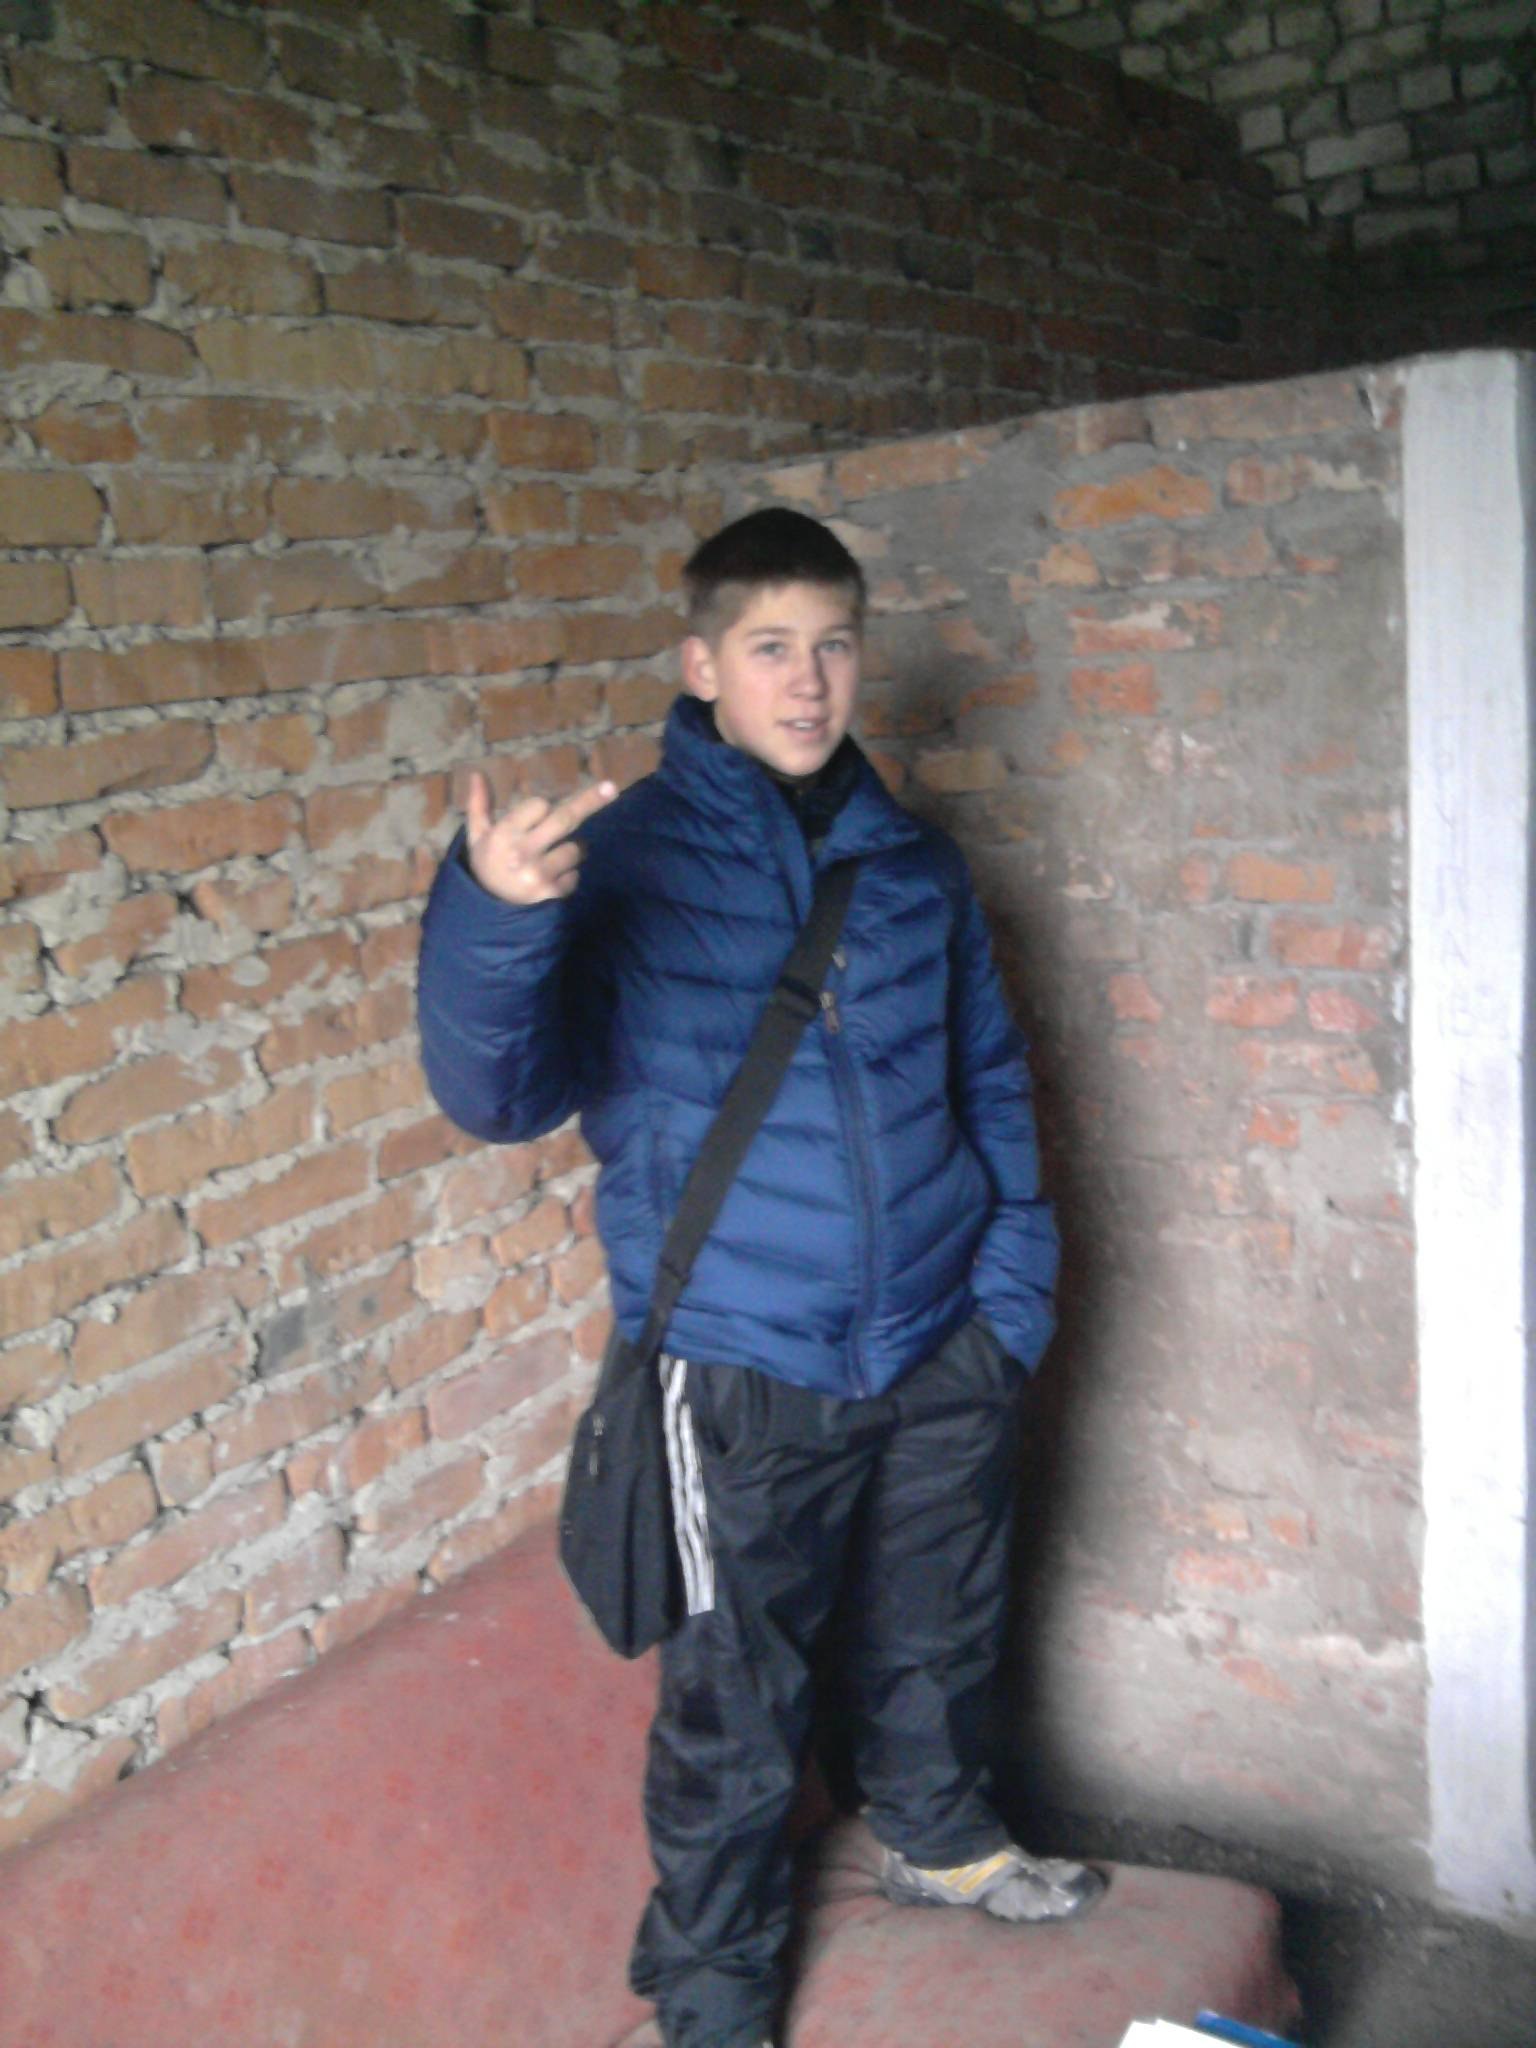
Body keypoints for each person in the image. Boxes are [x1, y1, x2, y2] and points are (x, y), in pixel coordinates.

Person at [416, 507, 1101, 2048]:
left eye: (833, 645)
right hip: (738, 1353)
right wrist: (493, 918)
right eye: (771, 647)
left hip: (940, 1332)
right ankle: (713, 1988)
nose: (808, 681)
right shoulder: (623, 863)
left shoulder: (912, 866)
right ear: (702, 665)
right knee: (735, 1698)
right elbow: (496, 1095)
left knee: (943, 1618)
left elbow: (991, 1079)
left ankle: (937, 1833)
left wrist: (1009, 1297)